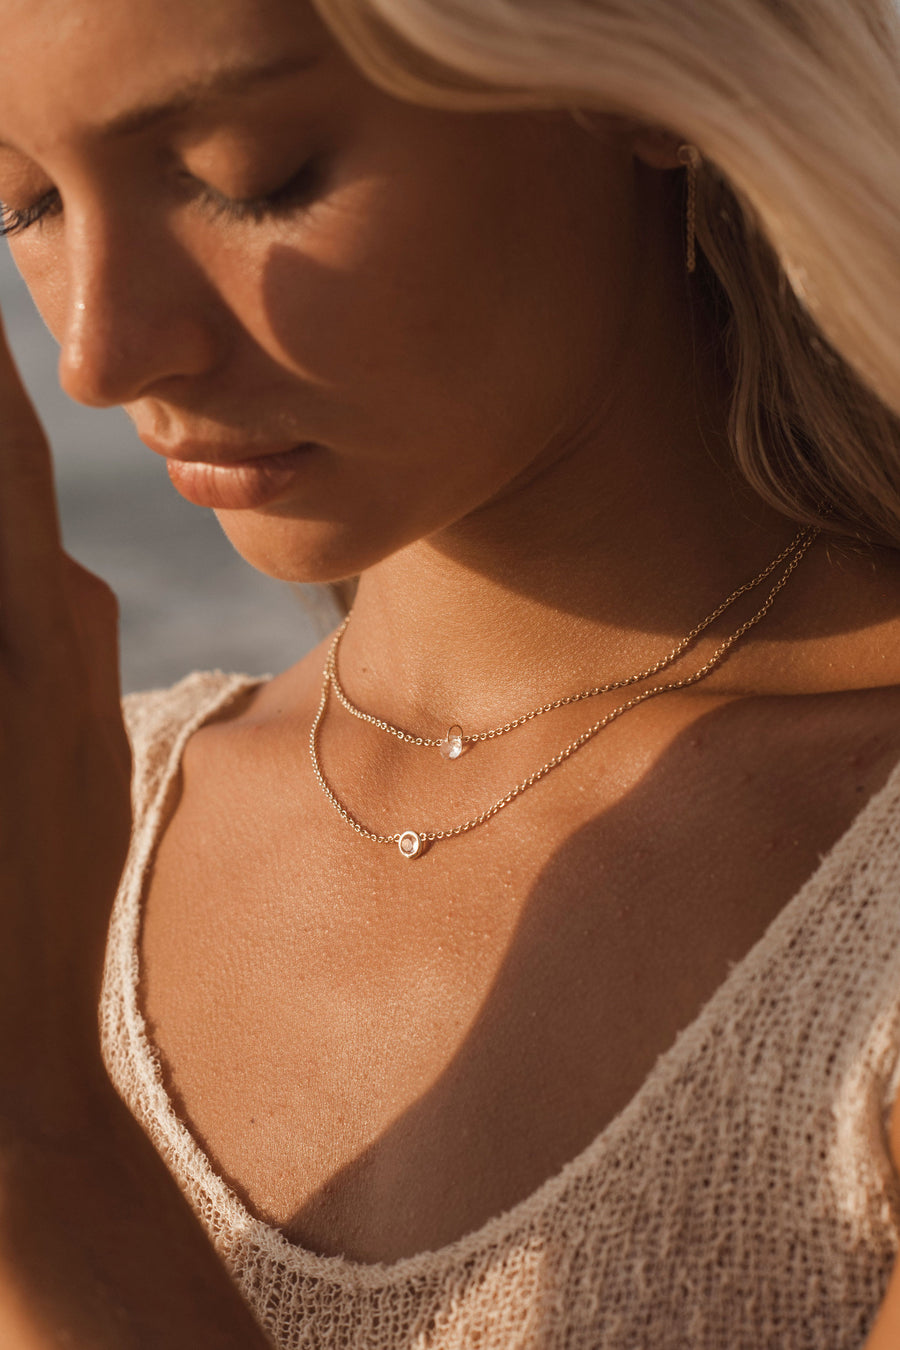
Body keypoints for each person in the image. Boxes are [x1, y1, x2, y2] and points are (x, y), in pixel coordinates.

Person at [0, 0, 899, 1344]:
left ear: (642, 77)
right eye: (21, 204)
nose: (99, 354)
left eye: (249, 174)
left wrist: (46, 1145)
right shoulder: (70, 837)